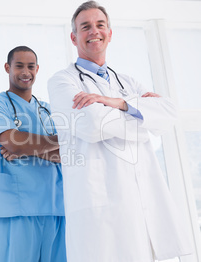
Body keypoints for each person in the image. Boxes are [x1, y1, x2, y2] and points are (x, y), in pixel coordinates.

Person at [47, 1, 193, 261]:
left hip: (139, 202)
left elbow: (169, 113)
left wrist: (120, 103)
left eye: (100, 25)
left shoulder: (127, 82)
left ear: (110, 33)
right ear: (73, 37)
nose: (94, 31)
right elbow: (92, 125)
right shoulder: (62, 81)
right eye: (85, 27)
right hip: (99, 204)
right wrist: (141, 118)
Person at [0, 46, 66, 262]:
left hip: (55, 207)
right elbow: (13, 142)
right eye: (19, 66)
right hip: (15, 208)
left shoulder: (50, 109)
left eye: (30, 66)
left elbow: (69, 153)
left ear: (37, 69)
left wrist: (26, 146)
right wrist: (56, 142)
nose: (25, 72)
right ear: (8, 68)